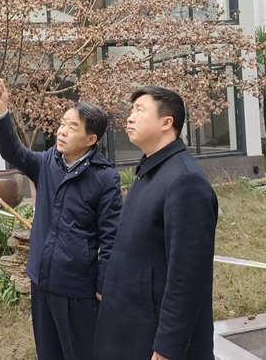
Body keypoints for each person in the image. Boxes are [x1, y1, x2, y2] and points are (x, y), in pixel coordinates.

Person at [0, 79, 122, 360]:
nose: (62, 131)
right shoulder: (48, 162)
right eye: (62, 124)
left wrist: (103, 286)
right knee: (48, 352)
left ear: (91, 139)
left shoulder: (104, 177)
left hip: (76, 287)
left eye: (72, 127)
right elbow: (12, 153)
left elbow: (111, 238)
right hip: (41, 279)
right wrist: (2, 111)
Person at [94, 86, 219, 360]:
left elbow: (188, 276)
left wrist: (167, 346)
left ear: (166, 122)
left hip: (153, 339)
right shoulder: (150, 171)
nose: (129, 117)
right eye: (131, 110)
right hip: (130, 326)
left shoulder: (185, 181)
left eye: (139, 110)